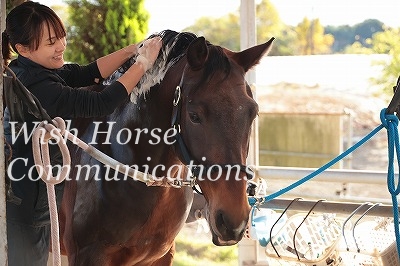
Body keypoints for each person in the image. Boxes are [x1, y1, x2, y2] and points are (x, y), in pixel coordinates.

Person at [2, 1, 162, 265]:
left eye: (61, 37)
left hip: (34, 199)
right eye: (51, 42)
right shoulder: (36, 85)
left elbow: (88, 73)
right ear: (23, 49)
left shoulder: (30, 70)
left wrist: (134, 50)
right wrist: (142, 64)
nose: (61, 46)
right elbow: (99, 103)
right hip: (25, 208)